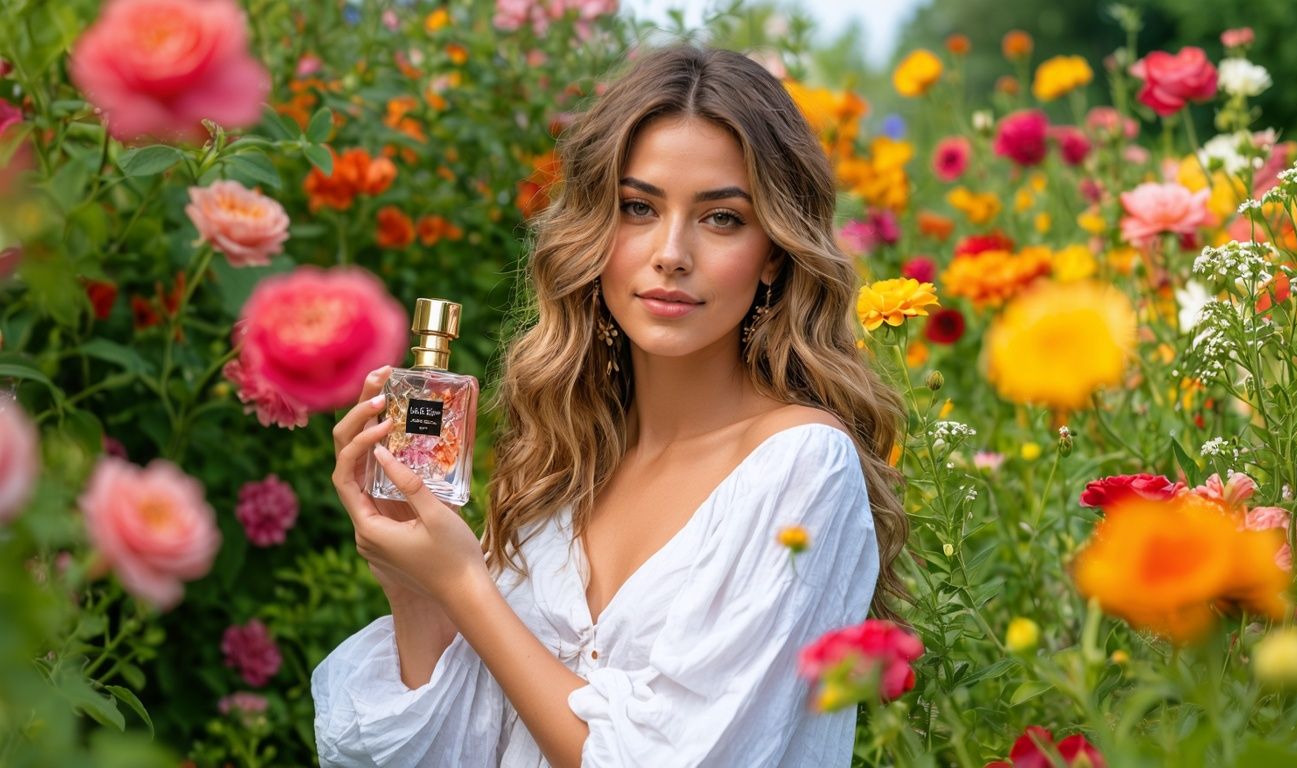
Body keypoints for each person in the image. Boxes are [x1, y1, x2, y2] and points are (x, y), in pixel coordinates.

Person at [313, 45, 906, 768]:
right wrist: (416, 586)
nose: (671, 252)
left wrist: (465, 584)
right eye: (638, 208)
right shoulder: (564, 464)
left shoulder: (800, 466)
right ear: (595, 228)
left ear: (775, 252)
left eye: (721, 219)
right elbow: (452, 752)